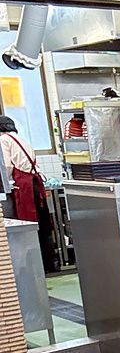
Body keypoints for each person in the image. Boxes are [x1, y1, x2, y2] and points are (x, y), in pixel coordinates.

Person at [0, 114, 58, 273]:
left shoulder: (3, 140)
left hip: (24, 186)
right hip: (35, 184)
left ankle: (32, 266)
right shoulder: (21, 139)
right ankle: (50, 263)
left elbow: (6, 166)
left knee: (27, 225)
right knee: (42, 224)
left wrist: (5, 184)